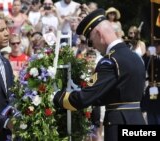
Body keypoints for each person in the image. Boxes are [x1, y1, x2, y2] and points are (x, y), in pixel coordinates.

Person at [53, 9, 146, 141]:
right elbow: (109, 94)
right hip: (138, 121)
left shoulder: (110, 61)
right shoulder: (135, 56)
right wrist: (81, 89)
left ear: (99, 34)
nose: (93, 47)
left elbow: (83, 99)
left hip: (119, 123)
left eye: (90, 41)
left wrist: (56, 96)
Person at [141, 41, 160, 125]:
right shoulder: (151, 58)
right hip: (153, 88)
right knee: (152, 113)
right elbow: (141, 64)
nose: (156, 47)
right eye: (155, 45)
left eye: (157, 45)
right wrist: (146, 55)